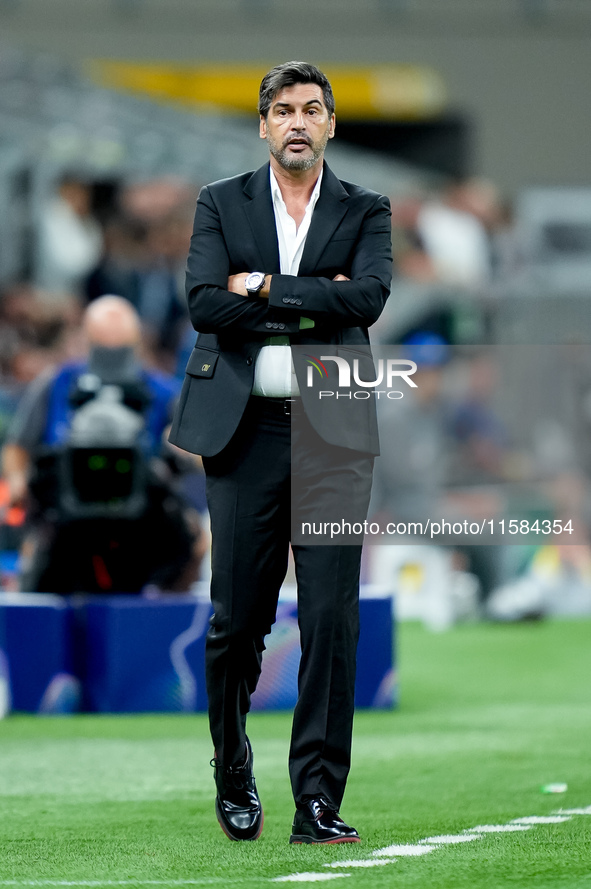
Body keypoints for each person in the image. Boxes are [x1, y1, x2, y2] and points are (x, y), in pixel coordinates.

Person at [169, 61, 392, 844]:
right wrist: (310, 294)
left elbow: (366, 298)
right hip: (242, 433)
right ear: (263, 125)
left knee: (333, 616)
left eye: (311, 109)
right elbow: (201, 302)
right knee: (237, 619)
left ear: (330, 124)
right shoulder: (218, 201)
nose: (297, 121)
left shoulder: (367, 207)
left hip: (332, 430)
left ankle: (317, 800)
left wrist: (262, 287)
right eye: (282, 110)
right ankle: (232, 764)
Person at [2, 295, 203, 594]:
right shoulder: (56, 383)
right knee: (33, 557)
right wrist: (18, 482)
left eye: (119, 348)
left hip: (145, 516)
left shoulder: (163, 391)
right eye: (101, 345)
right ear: (85, 339)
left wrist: (182, 445)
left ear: (137, 342)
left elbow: (199, 454)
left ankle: (170, 628)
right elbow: (18, 447)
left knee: (194, 543)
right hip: (64, 511)